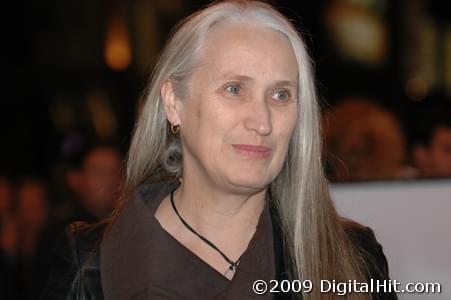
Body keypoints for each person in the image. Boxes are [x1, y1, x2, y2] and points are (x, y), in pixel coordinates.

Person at [42, 1, 397, 299]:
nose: (262, 121)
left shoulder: (351, 257)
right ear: (173, 102)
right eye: (234, 89)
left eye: (281, 95)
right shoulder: (89, 266)